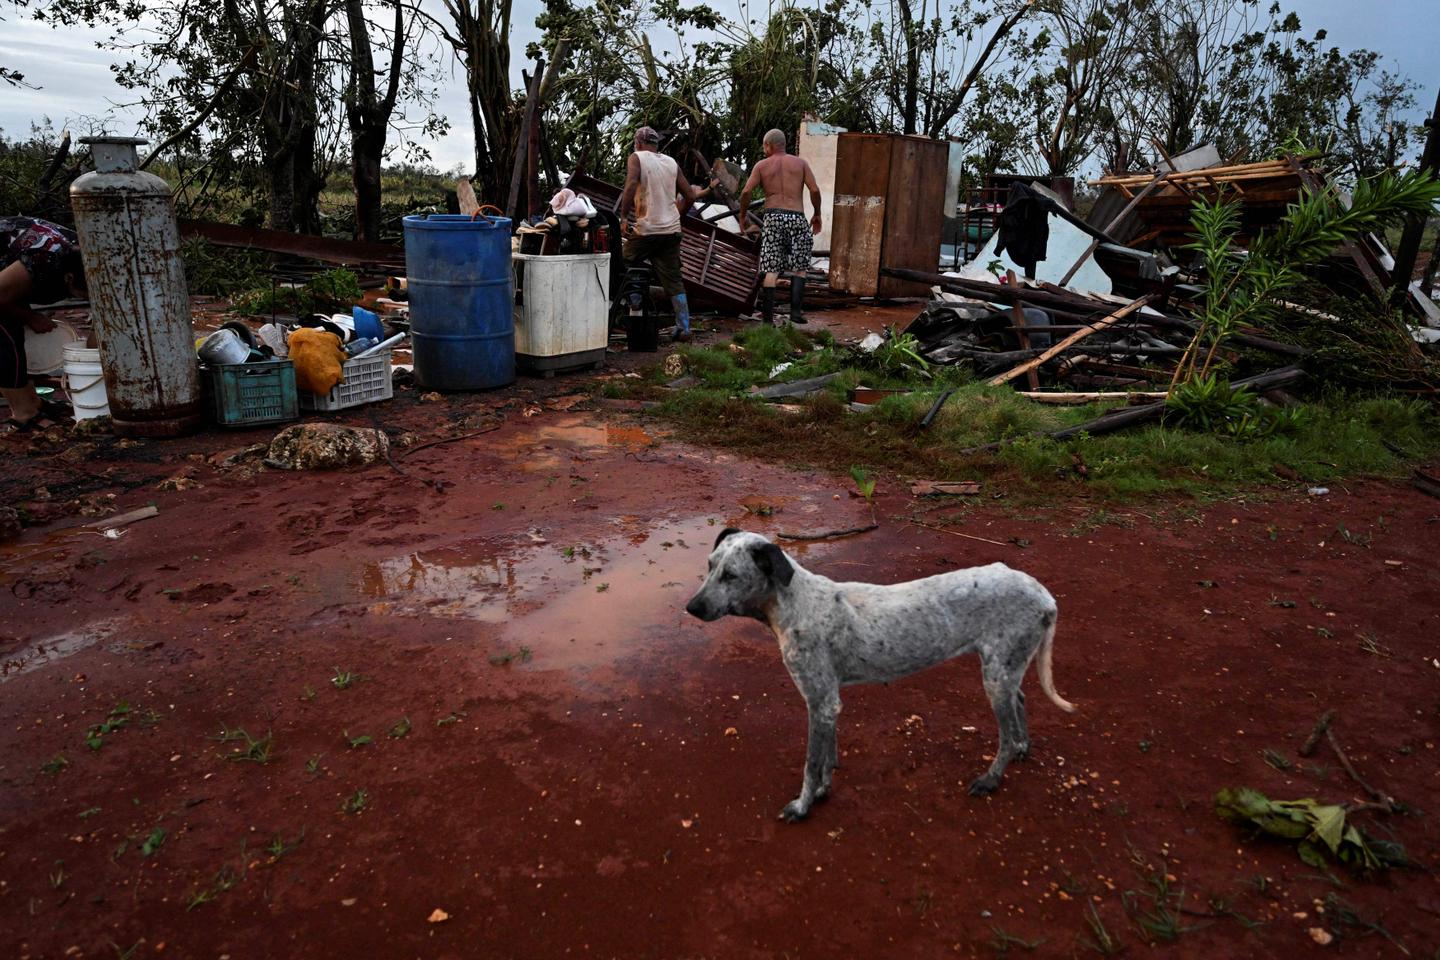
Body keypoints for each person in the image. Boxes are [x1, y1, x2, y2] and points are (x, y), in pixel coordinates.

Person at [1, 216, 87, 432]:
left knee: (18, 333)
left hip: (7, 271)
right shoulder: (45, 258)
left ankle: (33, 403)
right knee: (6, 338)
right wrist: (31, 318)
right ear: (68, 279)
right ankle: (24, 414)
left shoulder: (84, 255)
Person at [619, 126, 698, 341]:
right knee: (673, 280)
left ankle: (634, 304)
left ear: (638, 143)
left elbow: (631, 184)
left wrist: (624, 217)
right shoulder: (671, 163)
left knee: (624, 262)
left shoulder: (637, 158)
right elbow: (690, 195)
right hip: (671, 231)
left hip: (647, 229)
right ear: (657, 144)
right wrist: (677, 217)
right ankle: (684, 328)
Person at [738, 129, 822, 325]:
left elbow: (746, 191)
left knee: (771, 269)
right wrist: (817, 213)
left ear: (768, 145)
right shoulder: (800, 163)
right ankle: (795, 313)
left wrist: (742, 215)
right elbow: (815, 189)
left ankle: (768, 321)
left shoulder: (761, 166)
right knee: (800, 267)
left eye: (763, 145)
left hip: (773, 217)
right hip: (797, 218)